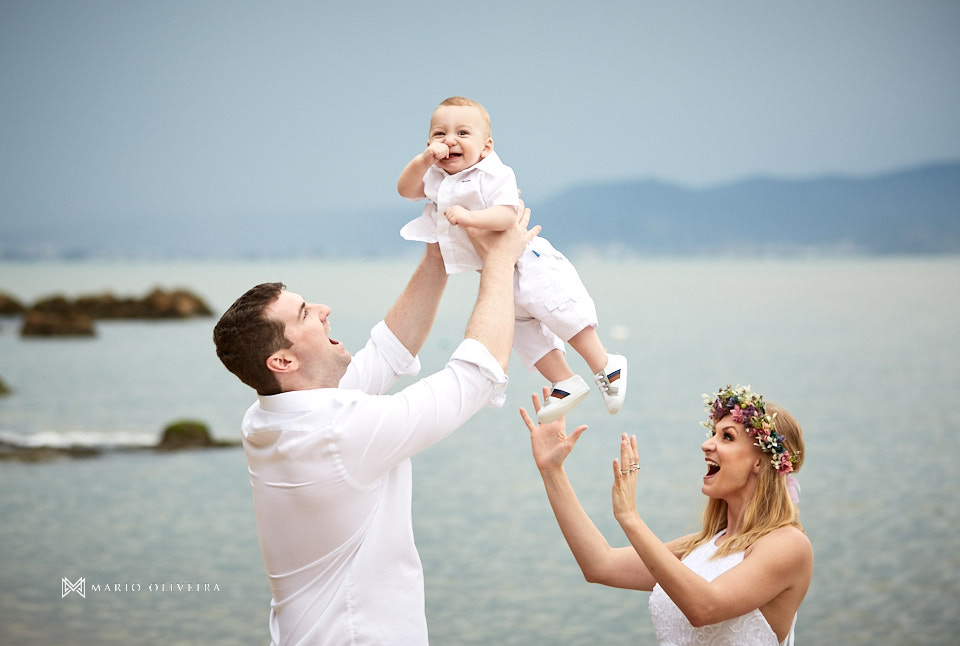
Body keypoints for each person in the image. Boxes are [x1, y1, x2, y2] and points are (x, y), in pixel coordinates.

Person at [212, 211, 538, 646]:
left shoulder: (270, 414)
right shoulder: (339, 433)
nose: (325, 310)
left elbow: (390, 349)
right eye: (306, 313)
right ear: (283, 361)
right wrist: (499, 262)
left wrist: (440, 247)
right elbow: (477, 375)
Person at [520, 384, 813, 646]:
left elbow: (704, 608)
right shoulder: (701, 546)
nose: (707, 444)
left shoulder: (788, 545)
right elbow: (600, 565)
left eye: (727, 436)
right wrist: (552, 471)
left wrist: (630, 518)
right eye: (713, 433)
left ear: (760, 463)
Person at [397, 95, 626, 424]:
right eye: (439, 134)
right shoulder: (435, 177)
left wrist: (469, 217)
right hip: (497, 271)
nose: (449, 140)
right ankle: (563, 380)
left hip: (528, 258)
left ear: (486, 147)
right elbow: (405, 189)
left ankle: (605, 364)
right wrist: (422, 160)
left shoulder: (493, 174)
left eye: (462, 133)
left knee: (555, 307)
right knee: (520, 331)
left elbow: (506, 216)